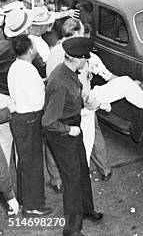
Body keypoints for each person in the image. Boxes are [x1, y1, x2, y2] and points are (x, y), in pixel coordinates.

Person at [42, 37, 103, 235]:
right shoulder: (60, 81)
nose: (87, 62)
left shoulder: (68, 72)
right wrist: (69, 130)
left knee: (82, 171)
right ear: (77, 59)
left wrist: (85, 100)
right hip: (62, 134)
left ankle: (87, 209)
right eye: (85, 59)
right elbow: (48, 122)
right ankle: (72, 229)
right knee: (72, 180)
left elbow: (72, 97)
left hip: (73, 127)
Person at [8, 34, 54, 217]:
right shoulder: (29, 70)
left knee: (24, 163)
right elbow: (37, 102)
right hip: (30, 119)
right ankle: (33, 206)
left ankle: (24, 200)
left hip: (18, 118)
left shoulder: (15, 67)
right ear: (29, 51)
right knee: (33, 164)